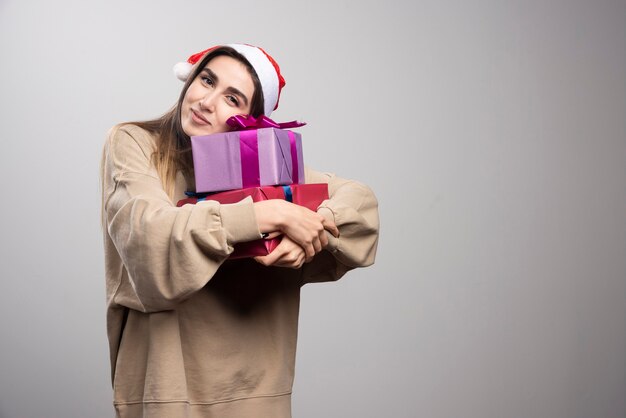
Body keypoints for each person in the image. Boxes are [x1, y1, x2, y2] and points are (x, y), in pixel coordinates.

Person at [100, 43, 379, 418]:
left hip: (257, 395)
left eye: (232, 98)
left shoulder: (267, 166)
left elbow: (360, 201)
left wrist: (312, 232)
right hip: (166, 392)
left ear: (251, 121)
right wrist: (269, 216)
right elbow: (150, 234)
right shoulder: (135, 144)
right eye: (206, 81)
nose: (207, 101)